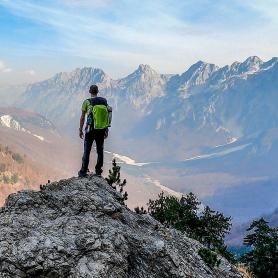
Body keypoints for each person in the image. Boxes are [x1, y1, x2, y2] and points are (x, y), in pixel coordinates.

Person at [78, 84, 111, 177]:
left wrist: (80, 129)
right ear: (97, 91)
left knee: (87, 150)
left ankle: (83, 171)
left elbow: (82, 117)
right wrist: (106, 129)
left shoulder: (87, 102)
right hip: (101, 129)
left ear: (90, 91)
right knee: (100, 150)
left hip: (90, 129)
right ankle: (98, 170)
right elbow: (107, 116)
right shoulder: (104, 102)